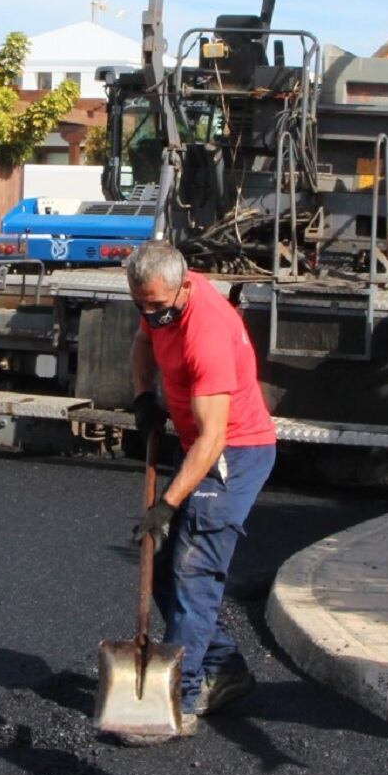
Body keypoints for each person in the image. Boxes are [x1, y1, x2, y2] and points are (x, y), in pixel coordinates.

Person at [125, 240, 277, 732]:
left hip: (234, 452)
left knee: (193, 568)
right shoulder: (159, 305)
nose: (150, 314)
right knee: (165, 570)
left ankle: (180, 700)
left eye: (157, 305)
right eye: (141, 303)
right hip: (201, 447)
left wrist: (166, 506)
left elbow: (213, 439)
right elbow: (143, 342)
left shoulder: (206, 333)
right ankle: (224, 669)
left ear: (184, 286)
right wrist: (145, 395)